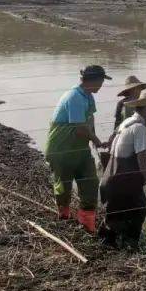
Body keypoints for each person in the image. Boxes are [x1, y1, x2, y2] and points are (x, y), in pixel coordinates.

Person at [99, 91, 146, 248]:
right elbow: (142, 160)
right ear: (142, 109)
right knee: (138, 211)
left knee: (114, 219)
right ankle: (128, 249)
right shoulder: (140, 128)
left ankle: (109, 247)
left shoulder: (127, 123)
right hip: (124, 181)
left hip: (110, 179)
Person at [46, 65, 110, 233]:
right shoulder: (74, 97)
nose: (102, 85)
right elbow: (80, 128)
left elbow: (89, 121)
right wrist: (95, 139)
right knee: (64, 186)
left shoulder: (88, 97)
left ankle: (87, 226)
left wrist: (96, 143)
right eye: (101, 81)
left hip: (80, 148)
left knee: (90, 184)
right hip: (61, 148)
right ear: (94, 80)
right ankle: (64, 219)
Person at [101, 75, 146, 168]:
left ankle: (142, 175)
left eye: (140, 88)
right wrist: (112, 138)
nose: (139, 90)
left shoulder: (144, 103)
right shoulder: (121, 104)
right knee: (129, 157)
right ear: (130, 90)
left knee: (142, 155)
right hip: (126, 135)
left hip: (143, 133)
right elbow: (117, 123)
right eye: (137, 88)